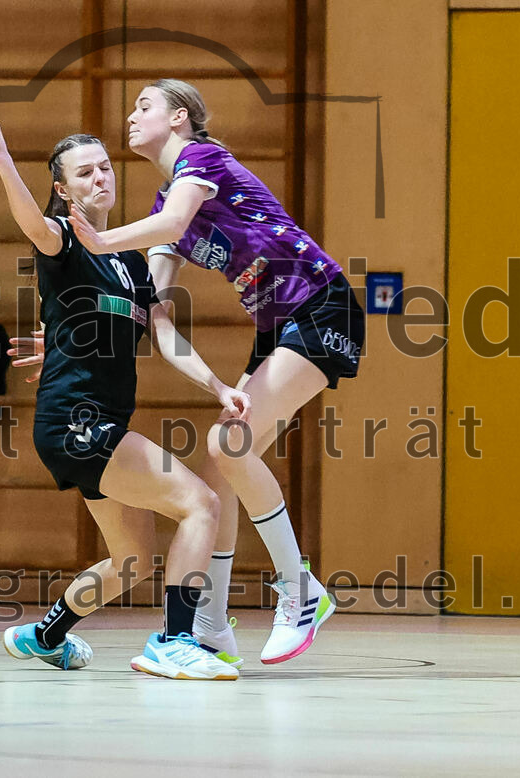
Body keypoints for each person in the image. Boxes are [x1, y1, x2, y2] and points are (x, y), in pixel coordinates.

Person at [68, 79, 365, 665]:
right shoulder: (161, 205)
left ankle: (300, 590)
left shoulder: (202, 160)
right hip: (276, 326)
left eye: (145, 106)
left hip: (320, 304)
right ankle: (208, 626)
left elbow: (175, 223)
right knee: (219, 471)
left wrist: (100, 240)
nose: (131, 116)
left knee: (228, 443)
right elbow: (149, 303)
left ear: (179, 117)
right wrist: (66, 340)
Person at [0, 123, 250, 680]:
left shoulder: (130, 261)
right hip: (76, 421)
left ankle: (45, 637)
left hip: (101, 424)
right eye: (84, 172)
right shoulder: (63, 240)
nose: (100, 178)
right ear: (63, 189)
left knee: (132, 560)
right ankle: (175, 642)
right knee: (201, 504)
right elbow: (32, 223)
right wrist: (1, 162)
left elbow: (163, 334)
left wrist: (218, 386)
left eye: (105, 167)